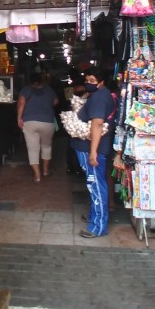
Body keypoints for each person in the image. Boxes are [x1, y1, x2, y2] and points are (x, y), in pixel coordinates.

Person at [70, 68, 116, 238]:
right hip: (91, 147)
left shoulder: (99, 97)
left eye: (92, 80)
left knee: (96, 185)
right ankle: (93, 216)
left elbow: (97, 124)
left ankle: (98, 227)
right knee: (94, 184)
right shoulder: (101, 95)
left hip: (93, 149)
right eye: (87, 80)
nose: (88, 83)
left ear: (101, 82)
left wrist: (93, 152)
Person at [17, 71, 59, 182]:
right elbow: (55, 102)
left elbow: (21, 103)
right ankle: (45, 171)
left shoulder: (25, 89)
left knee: (33, 149)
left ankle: (37, 175)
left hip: (29, 122)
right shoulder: (49, 89)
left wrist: (19, 118)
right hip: (47, 122)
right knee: (46, 146)